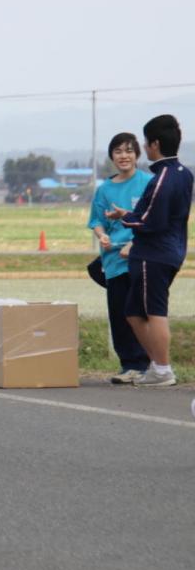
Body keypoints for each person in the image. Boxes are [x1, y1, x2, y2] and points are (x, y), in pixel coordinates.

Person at [107, 114, 193, 387]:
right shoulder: (183, 173)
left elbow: (148, 221)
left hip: (153, 254)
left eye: (145, 142)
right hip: (171, 249)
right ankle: (156, 365)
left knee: (154, 311)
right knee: (133, 311)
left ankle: (163, 369)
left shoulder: (162, 179)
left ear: (154, 143)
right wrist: (132, 214)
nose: (144, 147)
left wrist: (124, 217)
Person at [88, 133, 152, 383]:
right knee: (119, 312)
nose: (123, 156)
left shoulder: (149, 183)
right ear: (111, 156)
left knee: (142, 312)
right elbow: (97, 221)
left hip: (142, 257)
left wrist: (136, 243)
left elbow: (156, 220)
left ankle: (147, 364)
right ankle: (129, 365)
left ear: (137, 154)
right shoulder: (104, 189)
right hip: (113, 260)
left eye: (128, 150)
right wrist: (102, 236)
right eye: (118, 151)